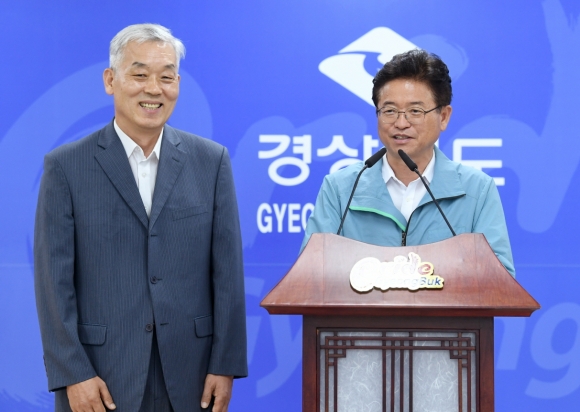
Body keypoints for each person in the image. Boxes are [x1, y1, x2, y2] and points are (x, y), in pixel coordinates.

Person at [34, 24, 247, 412]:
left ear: (178, 84)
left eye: (166, 77)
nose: (154, 89)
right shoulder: (66, 166)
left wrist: (225, 364)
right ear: (110, 80)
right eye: (139, 75)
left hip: (191, 375)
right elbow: (53, 282)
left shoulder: (211, 161)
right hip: (100, 377)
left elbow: (227, 272)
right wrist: (73, 373)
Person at [302, 49, 515, 277]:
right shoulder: (340, 189)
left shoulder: (476, 190)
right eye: (390, 110)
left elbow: (499, 281)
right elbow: (310, 276)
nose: (401, 123)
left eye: (415, 111)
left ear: (443, 117)